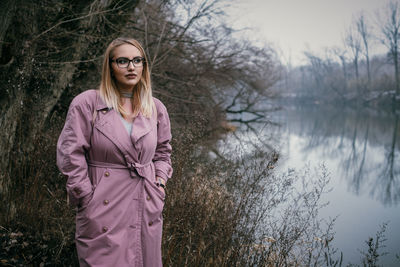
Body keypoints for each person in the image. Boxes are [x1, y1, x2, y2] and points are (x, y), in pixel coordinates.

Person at [57, 37, 173, 267]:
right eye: (123, 61)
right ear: (109, 66)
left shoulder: (155, 107)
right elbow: (71, 153)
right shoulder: (87, 103)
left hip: (145, 202)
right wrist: (86, 196)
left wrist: (159, 183)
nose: (131, 67)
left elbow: (163, 151)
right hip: (102, 205)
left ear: (144, 66)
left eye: (137, 60)